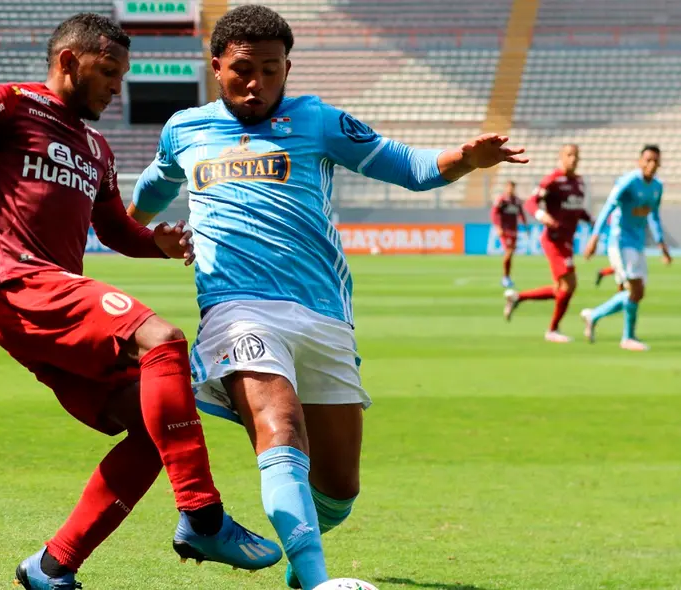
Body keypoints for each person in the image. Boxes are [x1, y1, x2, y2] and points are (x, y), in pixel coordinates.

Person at [125, 6, 527, 589]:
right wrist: (138, 234)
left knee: (338, 490)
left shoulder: (317, 120)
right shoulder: (184, 128)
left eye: (271, 69)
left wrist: (467, 158)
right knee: (280, 426)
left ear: (288, 66)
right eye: (243, 70)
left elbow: (410, 167)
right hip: (236, 305)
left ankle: (298, 560)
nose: (257, 82)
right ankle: (316, 581)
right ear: (216, 66)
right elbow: (148, 191)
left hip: (322, 315)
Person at [0, 13, 281, 590]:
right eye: (109, 71)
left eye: (122, 75)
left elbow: (115, 229)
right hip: (24, 286)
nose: (118, 86)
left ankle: (52, 566)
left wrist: (158, 246)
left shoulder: (96, 146)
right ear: (70, 61)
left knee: (152, 430)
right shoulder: (8, 103)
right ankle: (203, 516)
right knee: (162, 338)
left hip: (52, 307)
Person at [581, 145, 672, 351]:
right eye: (647, 160)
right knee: (636, 289)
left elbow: (654, 216)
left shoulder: (657, 186)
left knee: (637, 293)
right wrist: (595, 237)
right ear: (639, 162)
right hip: (620, 241)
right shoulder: (629, 182)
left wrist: (661, 244)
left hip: (638, 243)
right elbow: (608, 207)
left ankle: (593, 316)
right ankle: (627, 337)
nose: (651, 164)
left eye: (655, 161)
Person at [504, 144, 590, 343]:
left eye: (576, 155)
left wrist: (590, 218)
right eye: (569, 155)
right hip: (554, 240)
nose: (573, 159)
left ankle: (517, 298)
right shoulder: (553, 180)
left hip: (567, 239)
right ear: (560, 158)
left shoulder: (579, 182)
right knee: (569, 285)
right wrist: (543, 216)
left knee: (559, 288)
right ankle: (552, 330)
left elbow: (576, 209)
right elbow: (530, 203)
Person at [490, 180, 527, 288]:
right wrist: (498, 227)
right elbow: (494, 213)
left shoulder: (516, 201)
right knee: (509, 252)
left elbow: (521, 213)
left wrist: (525, 225)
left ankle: (507, 277)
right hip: (504, 230)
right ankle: (505, 277)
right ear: (506, 188)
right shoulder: (502, 200)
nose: (511, 189)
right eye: (509, 187)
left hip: (514, 230)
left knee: (510, 254)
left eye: (513, 187)